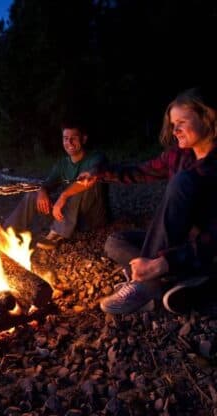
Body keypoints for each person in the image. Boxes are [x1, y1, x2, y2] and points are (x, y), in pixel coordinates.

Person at [58, 87, 217, 314]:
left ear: (207, 118)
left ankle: (149, 284)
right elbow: (140, 171)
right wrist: (100, 173)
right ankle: (172, 283)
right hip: (175, 243)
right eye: (173, 125)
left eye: (182, 122)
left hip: (203, 248)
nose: (176, 131)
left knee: (182, 182)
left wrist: (163, 262)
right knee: (115, 242)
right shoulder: (179, 155)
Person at [3, 118, 110, 250]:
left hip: (91, 219)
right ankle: (6, 233)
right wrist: (42, 191)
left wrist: (63, 196)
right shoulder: (62, 164)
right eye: (65, 138)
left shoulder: (96, 157)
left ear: (84, 139)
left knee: (84, 182)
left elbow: (92, 174)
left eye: (74, 138)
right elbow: (47, 184)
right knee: (33, 195)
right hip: (68, 218)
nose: (69, 142)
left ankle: (56, 234)